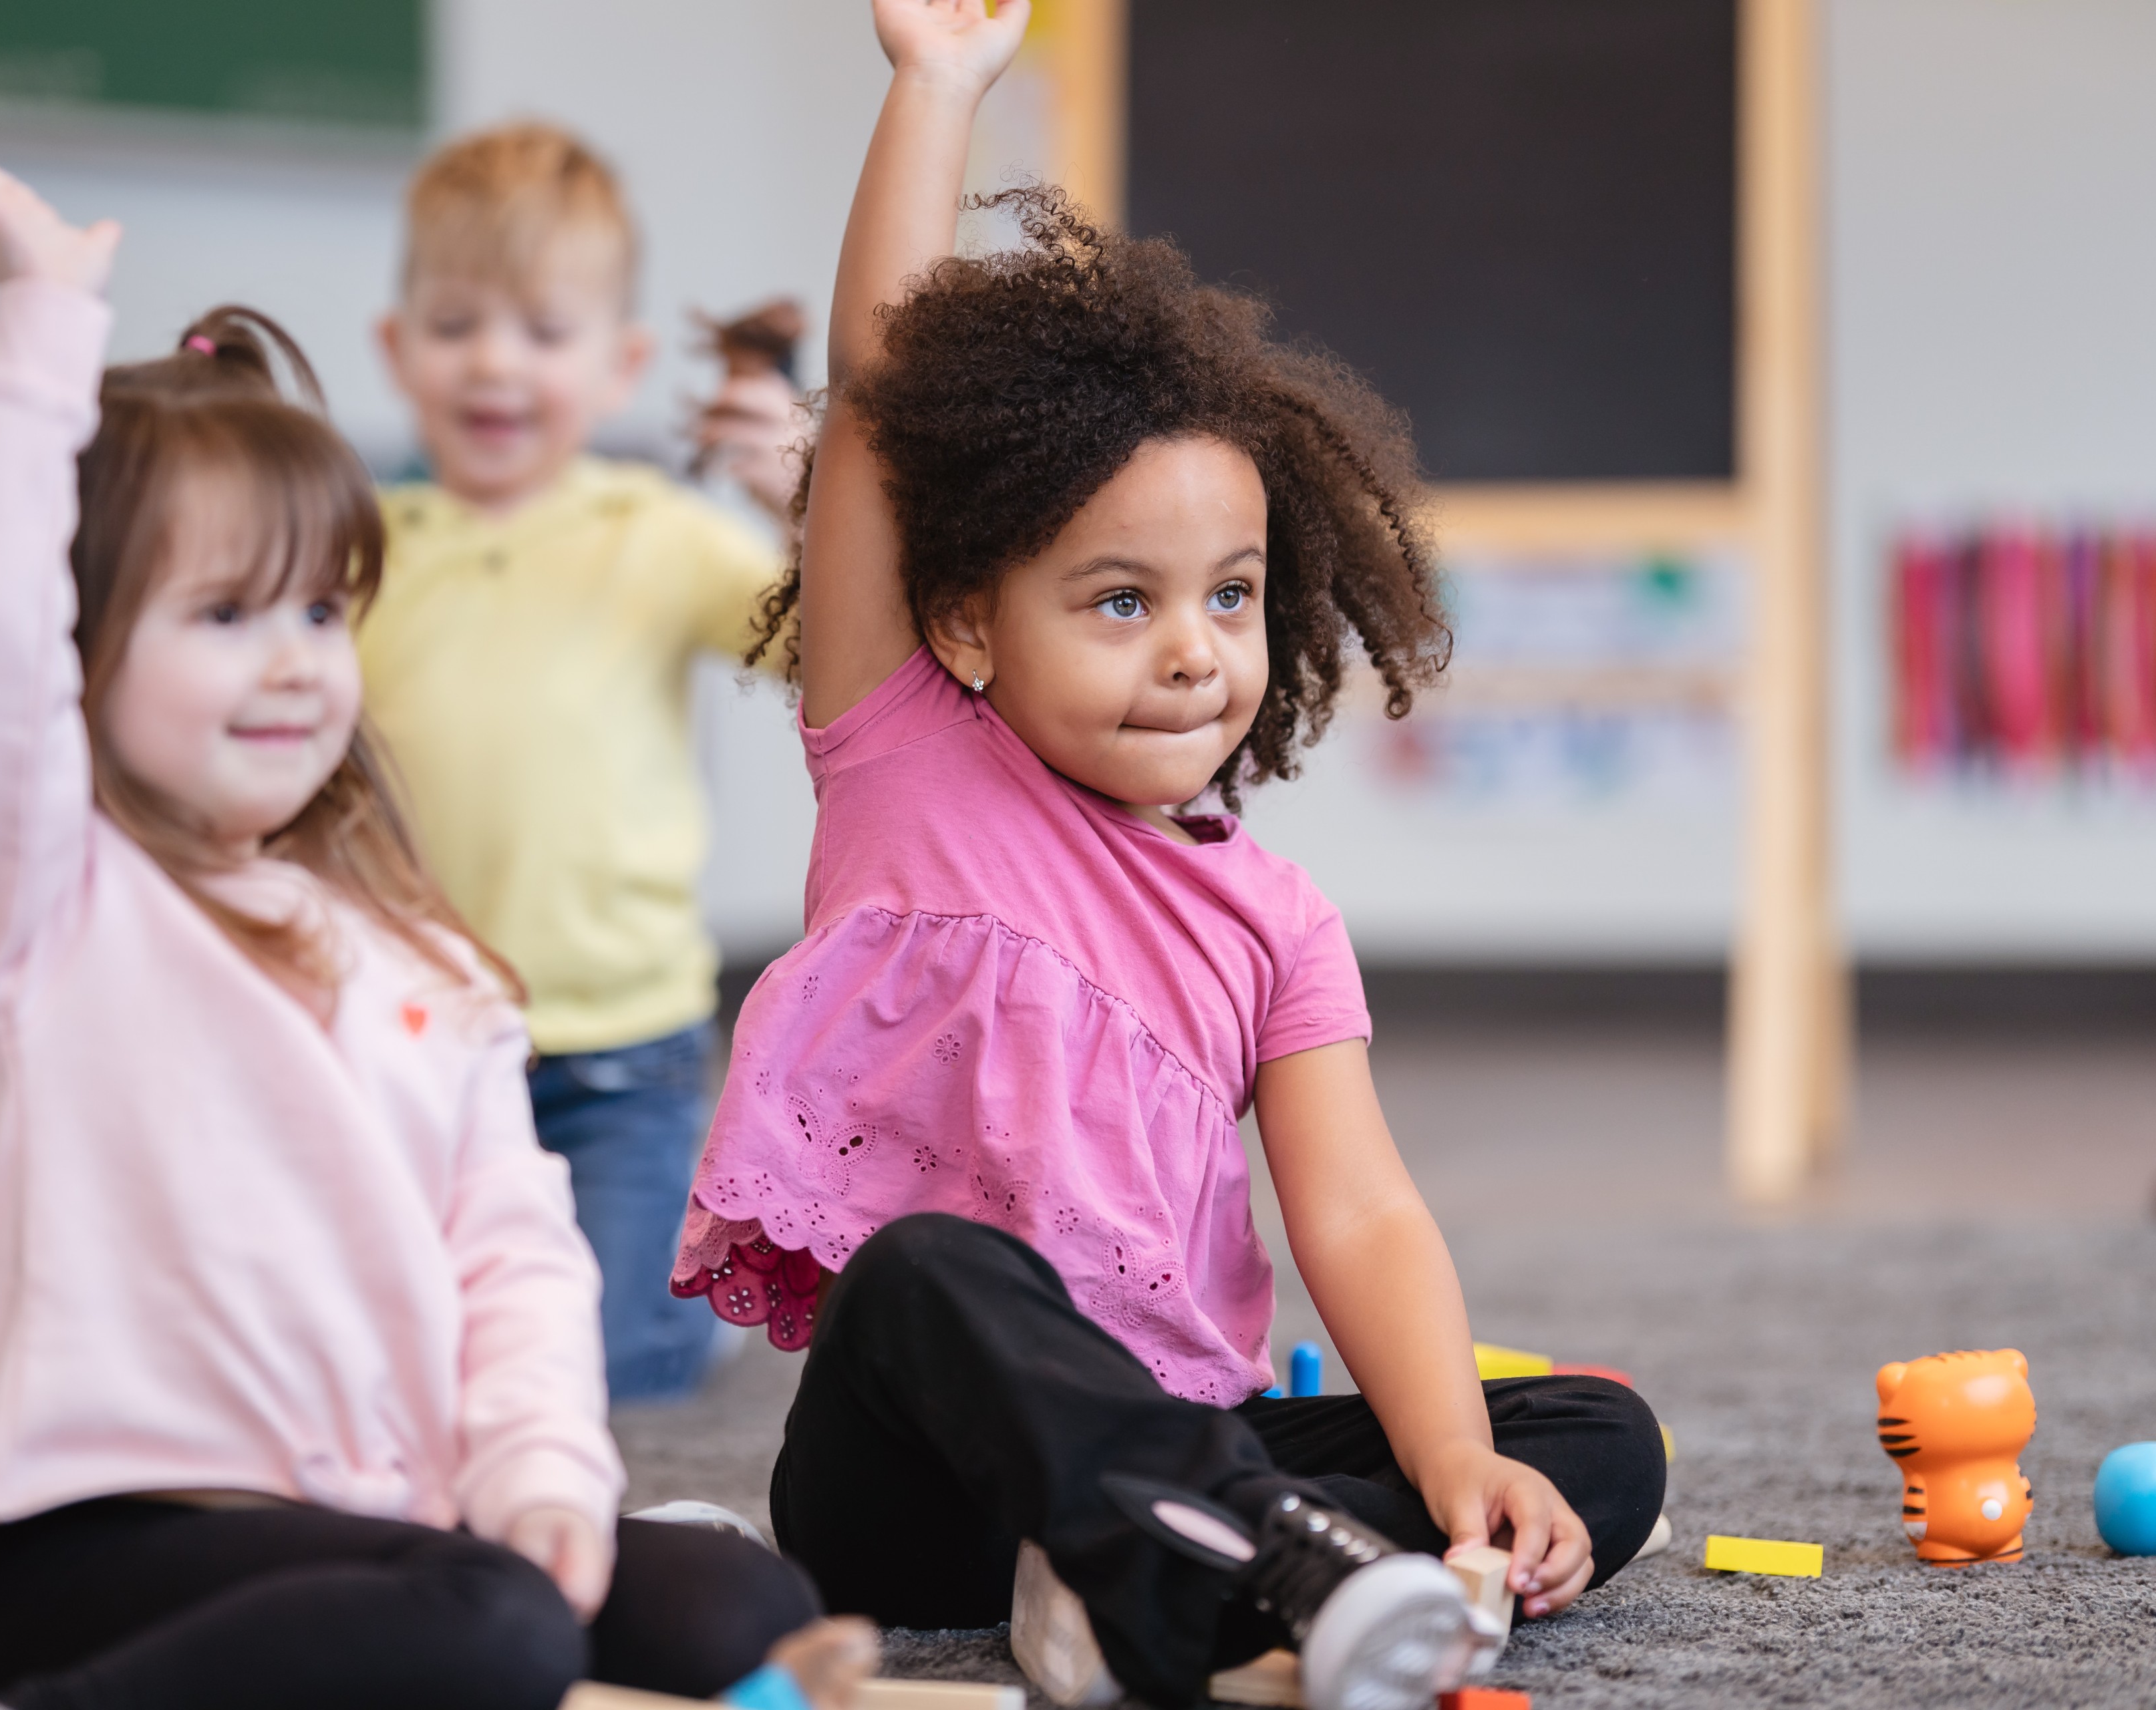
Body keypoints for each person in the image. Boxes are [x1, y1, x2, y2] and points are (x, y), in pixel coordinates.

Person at [666, 6, 1668, 1709]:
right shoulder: (909, 749)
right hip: (912, 1487)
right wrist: (938, 86)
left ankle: (1149, 1570)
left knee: (1592, 1438)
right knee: (932, 1264)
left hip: (1172, 1431)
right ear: (972, 622)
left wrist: (1451, 1465)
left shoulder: (1277, 920)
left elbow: (1356, 1208)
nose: (1194, 649)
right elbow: (879, 404)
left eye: (1231, 592)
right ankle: (1232, 1564)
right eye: (1120, 599)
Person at [0, 124, 818, 1710]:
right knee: (489, 1631)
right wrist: (38, 329)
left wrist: (549, 1478)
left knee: (735, 1600)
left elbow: (512, 1255)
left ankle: (485, 1580)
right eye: (225, 614)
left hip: (385, 1523)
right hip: (107, 1542)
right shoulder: (32, 899)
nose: (295, 659)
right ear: (74, 649)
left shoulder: (421, 950)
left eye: (315, 610)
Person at [357, 124, 803, 1401]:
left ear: (621, 367)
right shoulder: (354, 551)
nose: (496, 362)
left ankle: (678, 1302)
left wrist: (792, 499)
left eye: (544, 333)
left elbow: (847, 661)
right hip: (415, 1052)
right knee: (400, 1367)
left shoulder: (660, 535)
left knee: (606, 1372)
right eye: (455, 325)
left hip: (622, 1061)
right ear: (398, 350)